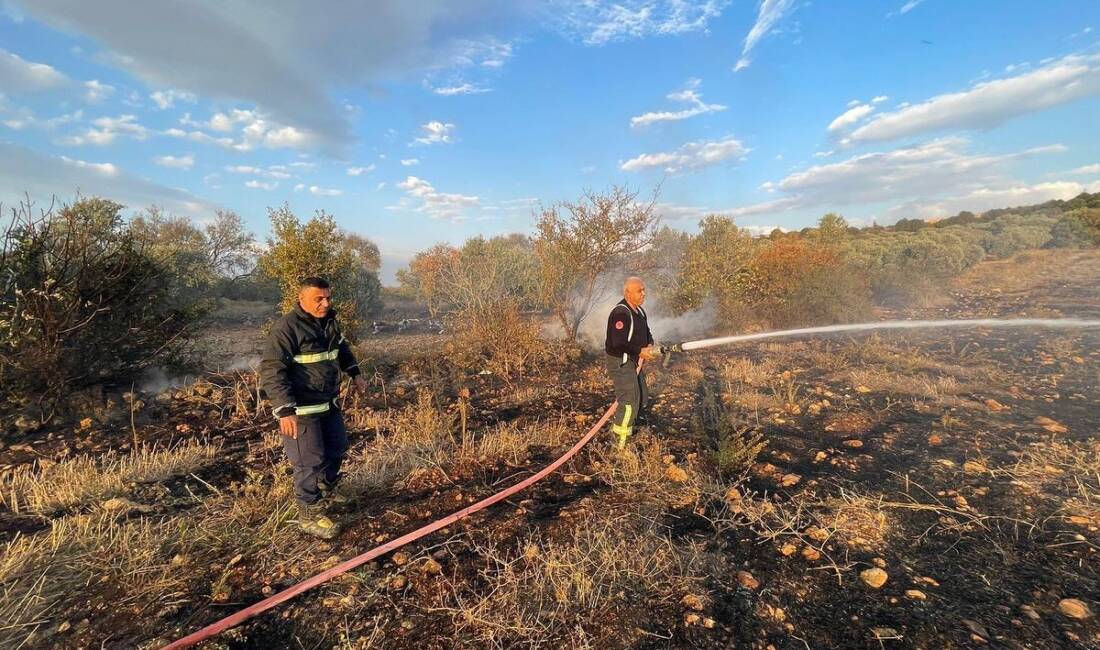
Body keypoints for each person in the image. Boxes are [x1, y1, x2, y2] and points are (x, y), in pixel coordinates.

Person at [260, 276, 367, 539]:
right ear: (302, 299)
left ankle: (328, 487)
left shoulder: (329, 322)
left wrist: (354, 372)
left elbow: (341, 349)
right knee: (308, 461)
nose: (325, 303)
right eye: (318, 299)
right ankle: (308, 513)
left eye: (328, 297)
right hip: (302, 411)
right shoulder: (286, 329)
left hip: (328, 403)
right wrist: (285, 410)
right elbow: (272, 370)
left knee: (338, 447)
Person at [605, 277, 658, 449]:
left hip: (633, 362)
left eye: (643, 290)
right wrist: (639, 351)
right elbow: (617, 343)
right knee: (629, 402)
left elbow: (646, 332)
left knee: (641, 398)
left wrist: (649, 344)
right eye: (639, 291)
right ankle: (620, 446)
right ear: (627, 293)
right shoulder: (621, 313)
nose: (644, 293)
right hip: (621, 363)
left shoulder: (640, 311)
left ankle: (628, 428)